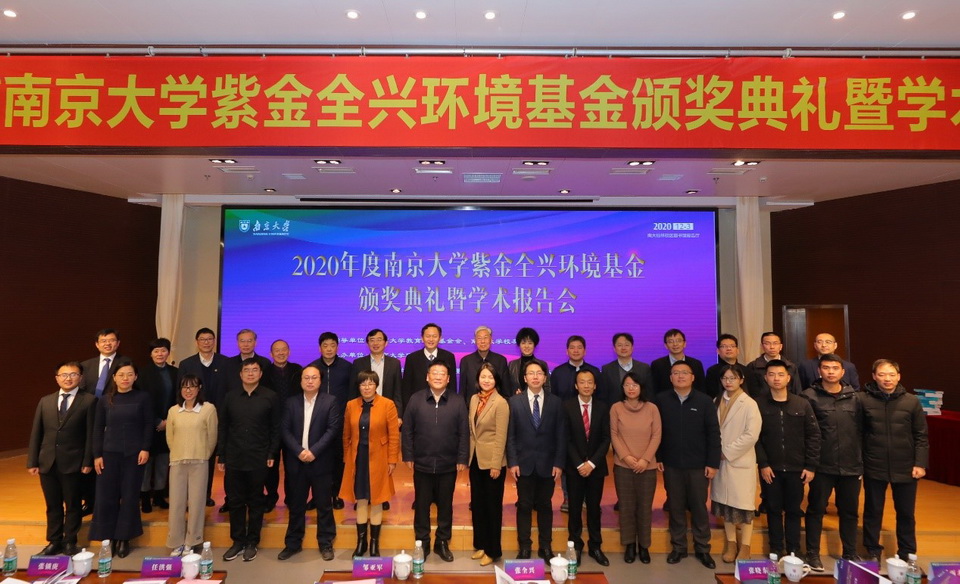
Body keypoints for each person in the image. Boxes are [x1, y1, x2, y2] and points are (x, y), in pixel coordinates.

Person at [861, 359, 929, 563]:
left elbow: (921, 435)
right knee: (873, 511)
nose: (887, 379)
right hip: (874, 463)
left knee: (906, 513)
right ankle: (872, 550)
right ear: (874, 376)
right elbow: (858, 433)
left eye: (891, 374)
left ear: (899, 376)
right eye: (882, 374)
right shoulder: (863, 400)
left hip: (906, 465)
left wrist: (920, 463)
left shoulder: (911, 401)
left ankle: (907, 551)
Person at [654, 360, 720, 569]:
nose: (680, 376)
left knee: (699, 507)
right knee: (675, 506)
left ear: (693, 377)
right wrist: (659, 457)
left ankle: (703, 548)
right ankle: (679, 547)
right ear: (670, 377)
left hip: (698, 465)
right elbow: (656, 432)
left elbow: (713, 433)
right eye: (676, 373)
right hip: (671, 464)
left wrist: (712, 462)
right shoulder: (661, 400)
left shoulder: (705, 401)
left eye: (684, 373)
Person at [27, 361, 97, 556]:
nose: (68, 378)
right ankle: (54, 541)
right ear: (57, 378)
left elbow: (91, 434)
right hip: (47, 462)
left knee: (73, 505)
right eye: (64, 375)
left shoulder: (89, 401)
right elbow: (36, 432)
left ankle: (69, 541)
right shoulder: (45, 401)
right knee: (52, 505)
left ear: (80, 378)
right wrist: (32, 461)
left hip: (74, 462)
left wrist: (87, 461)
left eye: (73, 374)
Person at [402, 360, 469, 562]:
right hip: (422, 463)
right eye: (434, 373)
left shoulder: (457, 401)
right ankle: (422, 542)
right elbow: (407, 430)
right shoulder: (416, 399)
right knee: (421, 506)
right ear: (427, 377)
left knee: (446, 505)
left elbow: (464, 433)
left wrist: (462, 457)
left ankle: (442, 542)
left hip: (448, 464)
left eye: (442, 374)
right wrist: (408, 455)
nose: (438, 377)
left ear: (448, 379)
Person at [802, 354, 863, 570]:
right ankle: (812, 553)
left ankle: (850, 552)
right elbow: (805, 433)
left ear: (842, 372)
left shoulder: (856, 398)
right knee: (816, 510)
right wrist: (809, 464)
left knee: (849, 512)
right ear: (819, 371)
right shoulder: (808, 397)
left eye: (835, 368)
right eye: (826, 368)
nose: (830, 372)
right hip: (821, 465)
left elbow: (863, 431)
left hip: (851, 465)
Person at [755, 360, 820, 558]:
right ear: (766, 378)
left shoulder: (802, 403)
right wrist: (763, 463)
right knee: (773, 509)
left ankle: (794, 549)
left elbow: (813, 435)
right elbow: (755, 438)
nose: (776, 378)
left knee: (793, 510)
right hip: (770, 468)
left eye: (780, 374)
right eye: (772, 374)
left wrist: (811, 465)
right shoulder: (757, 404)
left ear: (788, 378)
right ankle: (775, 548)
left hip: (796, 468)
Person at [89, 359, 153, 559]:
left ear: (136, 377)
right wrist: (97, 455)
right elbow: (97, 429)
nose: (125, 378)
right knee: (106, 496)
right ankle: (107, 537)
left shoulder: (143, 397)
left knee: (130, 495)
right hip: (108, 454)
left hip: (134, 455)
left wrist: (145, 448)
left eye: (130, 374)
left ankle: (124, 538)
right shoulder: (104, 400)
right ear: (114, 378)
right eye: (121, 375)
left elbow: (148, 425)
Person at [218, 358, 280, 562]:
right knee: (235, 501)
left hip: (259, 457)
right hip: (234, 457)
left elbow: (275, 428)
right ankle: (237, 541)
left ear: (261, 374)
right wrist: (222, 455)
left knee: (256, 500)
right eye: (247, 370)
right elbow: (223, 427)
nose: (251, 373)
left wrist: (271, 453)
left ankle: (252, 541)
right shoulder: (230, 397)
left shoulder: (270, 397)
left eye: (255, 370)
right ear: (241, 374)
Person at [278, 365, 341, 562]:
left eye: (314, 378)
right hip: (296, 462)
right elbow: (284, 430)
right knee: (296, 505)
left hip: (320, 461)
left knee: (324, 505)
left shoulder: (330, 401)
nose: (310, 381)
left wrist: (313, 451)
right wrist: (299, 451)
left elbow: (332, 430)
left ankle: (326, 543)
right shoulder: (291, 402)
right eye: (306, 378)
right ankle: (293, 543)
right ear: (301, 381)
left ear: (320, 381)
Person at [507, 360, 566, 563]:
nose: (535, 376)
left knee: (545, 506)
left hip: (548, 464)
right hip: (523, 464)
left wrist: (559, 463)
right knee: (524, 506)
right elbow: (510, 435)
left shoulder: (556, 402)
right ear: (524, 378)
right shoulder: (514, 402)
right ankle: (524, 546)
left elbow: (561, 435)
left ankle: (545, 547)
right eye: (531, 373)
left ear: (545, 377)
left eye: (539, 373)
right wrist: (513, 462)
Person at [341, 370, 401, 558]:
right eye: (363, 384)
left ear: (376, 385)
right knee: (360, 498)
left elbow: (394, 435)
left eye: (370, 383)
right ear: (358, 387)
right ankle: (361, 542)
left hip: (379, 458)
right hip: (357, 457)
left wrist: (392, 460)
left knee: (377, 498)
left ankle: (374, 543)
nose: (367, 387)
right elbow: (346, 435)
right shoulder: (351, 405)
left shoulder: (387, 404)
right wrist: (347, 458)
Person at [178, 327, 239, 507]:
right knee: (193, 455)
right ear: (196, 342)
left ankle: (205, 495)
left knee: (211, 457)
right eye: (202, 339)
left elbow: (231, 391)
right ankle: (190, 497)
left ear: (214, 341)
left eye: (210, 339)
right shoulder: (186, 364)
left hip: (219, 417)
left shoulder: (226, 362)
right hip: (193, 417)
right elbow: (180, 391)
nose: (206, 342)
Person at [710, 364, 762, 564]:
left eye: (732, 378)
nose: (728, 382)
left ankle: (746, 546)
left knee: (743, 506)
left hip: (739, 460)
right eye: (725, 378)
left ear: (741, 380)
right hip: (720, 461)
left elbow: (751, 435)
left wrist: (727, 451)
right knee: (725, 505)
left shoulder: (749, 403)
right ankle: (731, 543)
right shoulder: (716, 401)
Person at [609, 371, 661, 564]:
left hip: (647, 467)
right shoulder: (616, 408)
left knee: (645, 507)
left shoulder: (652, 408)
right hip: (623, 466)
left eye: (635, 385)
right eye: (627, 385)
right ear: (622, 388)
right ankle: (629, 545)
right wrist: (627, 457)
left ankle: (644, 546)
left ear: (641, 387)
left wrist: (645, 459)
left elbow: (656, 435)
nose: (631, 388)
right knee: (627, 507)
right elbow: (614, 434)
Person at [165, 374, 218, 556]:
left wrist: (203, 455)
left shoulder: (208, 409)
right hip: (177, 461)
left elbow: (212, 437)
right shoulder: (173, 411)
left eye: (192, 386)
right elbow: (170, 438)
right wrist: (178, 453)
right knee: (176, 503)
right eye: (184, 387)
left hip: (199, 462)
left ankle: (192, 541)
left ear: (199, 388)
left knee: (196, 503)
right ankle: (176, 541)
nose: (188, 390)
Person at [562, 369, 611, 566]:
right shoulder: (567, 406)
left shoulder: (603, 407)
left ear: (595, 385)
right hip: (574, 468)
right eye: (582, 382)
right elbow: (566, 439)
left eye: (590, 382)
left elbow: (606, 438)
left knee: (594, 508)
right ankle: (576, 546)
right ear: (576, 386)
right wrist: (579, 463)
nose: (586, 385)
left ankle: (595, 546)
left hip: (595, 468)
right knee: (574, 509)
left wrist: (591, 463)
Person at [467, 362, 510, 566]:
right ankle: (481, 545)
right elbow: (472, 431)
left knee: (493, 507)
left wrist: (496, 464)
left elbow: (501, 436)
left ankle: (493, 550)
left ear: (496, 380)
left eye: (490, 377)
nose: (486, 380)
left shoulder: (501, 403)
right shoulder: (474, 399)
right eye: (483, 376)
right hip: (476, 459)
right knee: (478, 505)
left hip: (493, 462)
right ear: (478, 379)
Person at [308, 331, 354, 510]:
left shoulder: (347, 367)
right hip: (316, 421)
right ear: (319, 348)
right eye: (325, 345)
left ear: (337, 347)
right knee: (316, 458)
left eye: (332, 345)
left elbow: (351, 394)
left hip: (340, 421)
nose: (329, 349)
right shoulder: (312, 368)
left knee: (338, 459)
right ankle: (317, 496)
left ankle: (336, 494)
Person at [139, 338, 178, 514]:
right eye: (156, 351)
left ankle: (159, 495)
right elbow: (142, 401)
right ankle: (145, 497)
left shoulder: (176, 372)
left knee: (163, 462)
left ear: (168, 352)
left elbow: (179, 398)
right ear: (150, 354)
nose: (160, 354)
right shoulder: (143, 374)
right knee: (146, 463)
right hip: (148, 424)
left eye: (163, 350)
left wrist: (168, 421)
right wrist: (156, 421)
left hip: (169, 424)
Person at [264, 339, 302, 512]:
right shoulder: (264, 373)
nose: (280, 353)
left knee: (292, 465)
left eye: (284, 349)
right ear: (271, 354)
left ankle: (292, 497)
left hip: (293, 425)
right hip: (270, 425)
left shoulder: (297, 370)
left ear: (289, 351)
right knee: (270, 465)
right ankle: (271, 496)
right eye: (277, 350)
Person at [350, 329, 403, 417]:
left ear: (386, 343)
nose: (375, 343)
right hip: (363, 410)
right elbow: (353, 390)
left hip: (387, 409)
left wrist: (399, 415)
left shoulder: (394, 363)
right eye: (372, 340)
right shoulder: (358, 363)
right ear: (367, 344)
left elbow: (398, 391)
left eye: (379, 340)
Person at [401, 323, 458, 407]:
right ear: (422, 338)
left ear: (440, 338)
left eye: (434, 336)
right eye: (428, 336)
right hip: (418, 405)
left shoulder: (449, 357)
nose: (431, 339)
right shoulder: (412, 358)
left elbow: (452, 384)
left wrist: (452, 405)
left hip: (443, 405)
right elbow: (406, 387)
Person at [459, 325, 511, 401]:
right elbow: (463, 391)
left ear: (491, 339)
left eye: (485, 338)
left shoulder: (501, 360)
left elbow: (506, 390)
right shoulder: (466, 361)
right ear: (475, 340)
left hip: (495, 406)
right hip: (471, 406)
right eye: (479, 338)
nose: (482, 341)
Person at [600, 332, 653, 403]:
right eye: (619, 345)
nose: (623, 348)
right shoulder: (607, 369)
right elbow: (604, 396)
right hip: (615, 408)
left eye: (627, 345)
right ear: (614, 348)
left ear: (632, 347)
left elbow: (649, 394)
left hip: (640, 408)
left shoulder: (644, 368)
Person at [650, 328, 706, 394]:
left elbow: (701, 388)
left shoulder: (696, 364)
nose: (675, 344)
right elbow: (654, 389)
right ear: (665, 345)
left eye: (678, 341)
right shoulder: (657, 365)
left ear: (684, 343)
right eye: (671, 341)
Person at [704, 334, 760, 399]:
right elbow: (711, 394)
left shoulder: (747, 371)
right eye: (724, 346)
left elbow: (754, 394)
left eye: (732, 346)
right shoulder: (712, 371)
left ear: (737, 350)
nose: (729, 349)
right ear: (718, 351)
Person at [79, 328, 125, 398]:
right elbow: (81, 389)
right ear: (97, 344)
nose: (108, 343)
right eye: (103, 341)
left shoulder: (125, 363)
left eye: (112, 340)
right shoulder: (85, 365)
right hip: (91, 403)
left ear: (118, 343)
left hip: (116, 402)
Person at [506, 327, 551, 395]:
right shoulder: (512, 364)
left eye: (530, 343)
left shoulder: (542, 364)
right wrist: (515, 395)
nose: (526, 346)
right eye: (523, 343)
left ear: (534, 345)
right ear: (519, 345)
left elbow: (547, 387)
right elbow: (508, 386)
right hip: (517, 400)